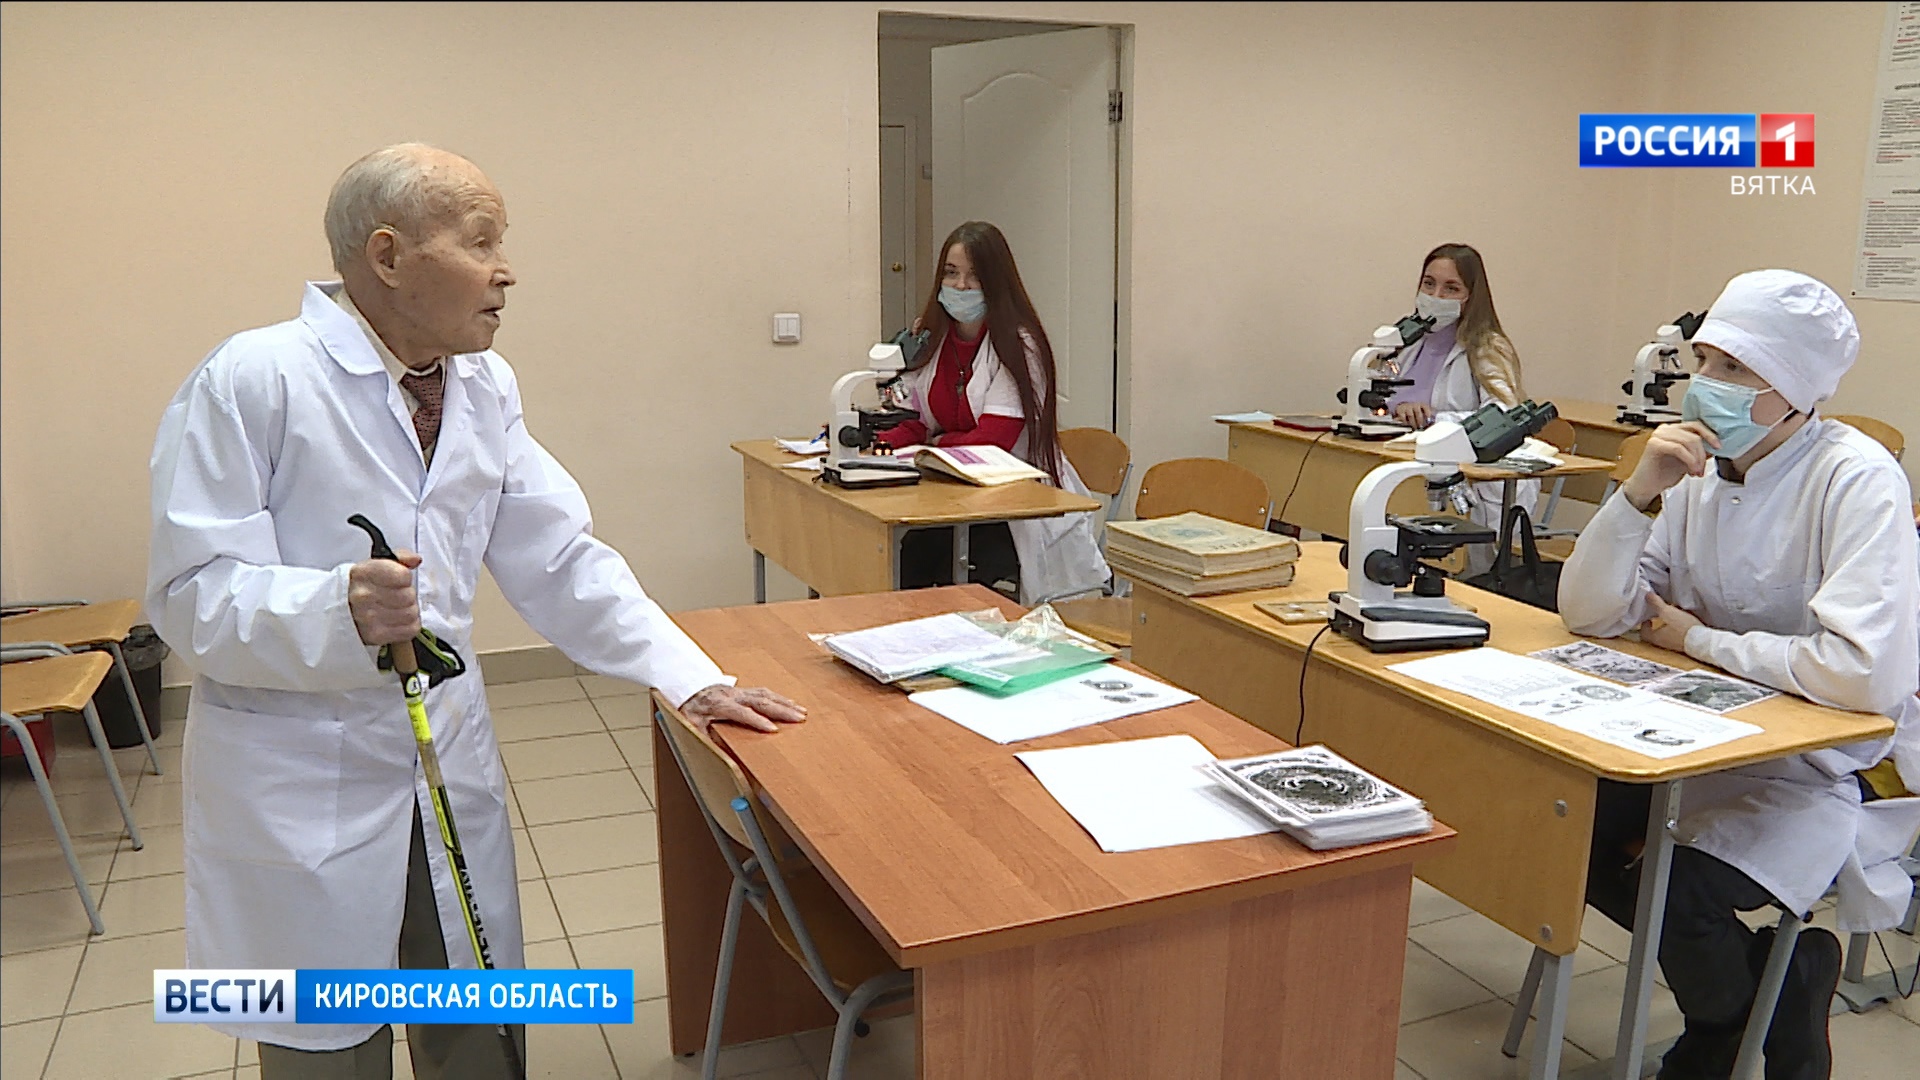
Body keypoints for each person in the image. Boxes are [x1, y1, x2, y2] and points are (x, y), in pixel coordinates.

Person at [145, 144, 806, 1079]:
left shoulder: (484, 387)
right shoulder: (253, 380)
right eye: (481, 241)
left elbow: (559, 557)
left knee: (473, 1015)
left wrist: (689, 678)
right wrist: (335, 609)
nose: (506, 271)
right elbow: (190, 593)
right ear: (387, 256)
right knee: (327, 1042)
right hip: (303, 773)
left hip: (445, 756)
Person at [1558, 269, 1920, 1080]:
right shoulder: (1698, 472)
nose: (1704, 386)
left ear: (1794, 386)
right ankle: (1776, 993)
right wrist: (1638, 494)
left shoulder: (1856, 479)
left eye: (1734, 369)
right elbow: (1589, 612)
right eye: (1704, 361)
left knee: (1681, 892)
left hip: (1816, 763)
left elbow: (1861, 676)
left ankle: (1718, 1032)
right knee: (1564, 830)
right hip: (1694, 734)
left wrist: (1699, 641)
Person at [874, 221, 1109, 604]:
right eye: (951, 273)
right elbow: (914, 421)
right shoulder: (935, 339)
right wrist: (871, 441)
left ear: (996, 282)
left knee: (930, 564)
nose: (961, 286)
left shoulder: (1020, 345)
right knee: (896, 558)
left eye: (974, 276)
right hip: (952, 496)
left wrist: (935, 444)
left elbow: (991, 444)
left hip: (1012, 507)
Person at [1385, 243, 1535, 575]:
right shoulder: (1405, 342)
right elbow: (1381, 396)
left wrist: (1434, 419)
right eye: (1429, 284)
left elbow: (1504, 417)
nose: (1436, 295)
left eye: (1451, 288)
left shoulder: (1488, 347)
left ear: (1471, 296)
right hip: (1406, 471)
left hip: (1467, 486)